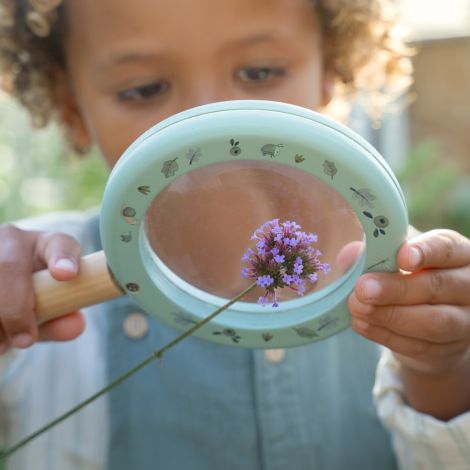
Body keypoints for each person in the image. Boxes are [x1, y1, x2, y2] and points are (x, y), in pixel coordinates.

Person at [1, 0, 470, 469]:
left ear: (332, 72)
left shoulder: (407, 275)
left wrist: (440, 370)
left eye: (260, 71)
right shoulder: (43, 279)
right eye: (145, 89)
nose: (211, 117)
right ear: (72, 111)